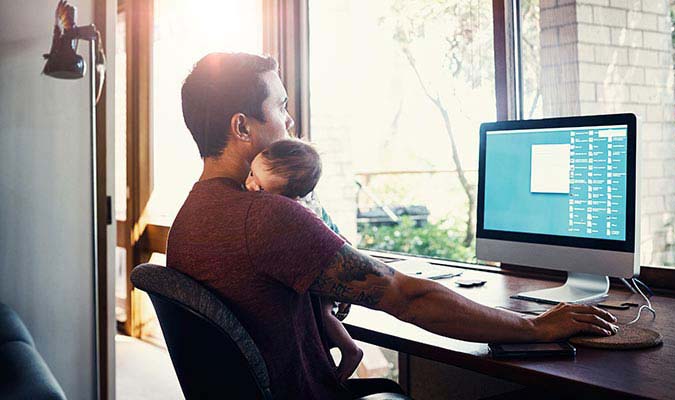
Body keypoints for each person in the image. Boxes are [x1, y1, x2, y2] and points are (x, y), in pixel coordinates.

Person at [167, 52, 618, 400]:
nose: (290, 121)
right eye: (281, 107)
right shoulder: (266, 216)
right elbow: (407, 297)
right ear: (242, 126)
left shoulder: (188, 220)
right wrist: (536, 328)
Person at [245, 138, 363, 383]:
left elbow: (336, 243)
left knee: (324, 312)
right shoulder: (292, 200)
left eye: (262, 188)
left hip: (325, 268)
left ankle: (351, 350)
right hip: (321, 265)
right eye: (251, 173)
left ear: (293, 197)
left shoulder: (300, 214)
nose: (250, 185)